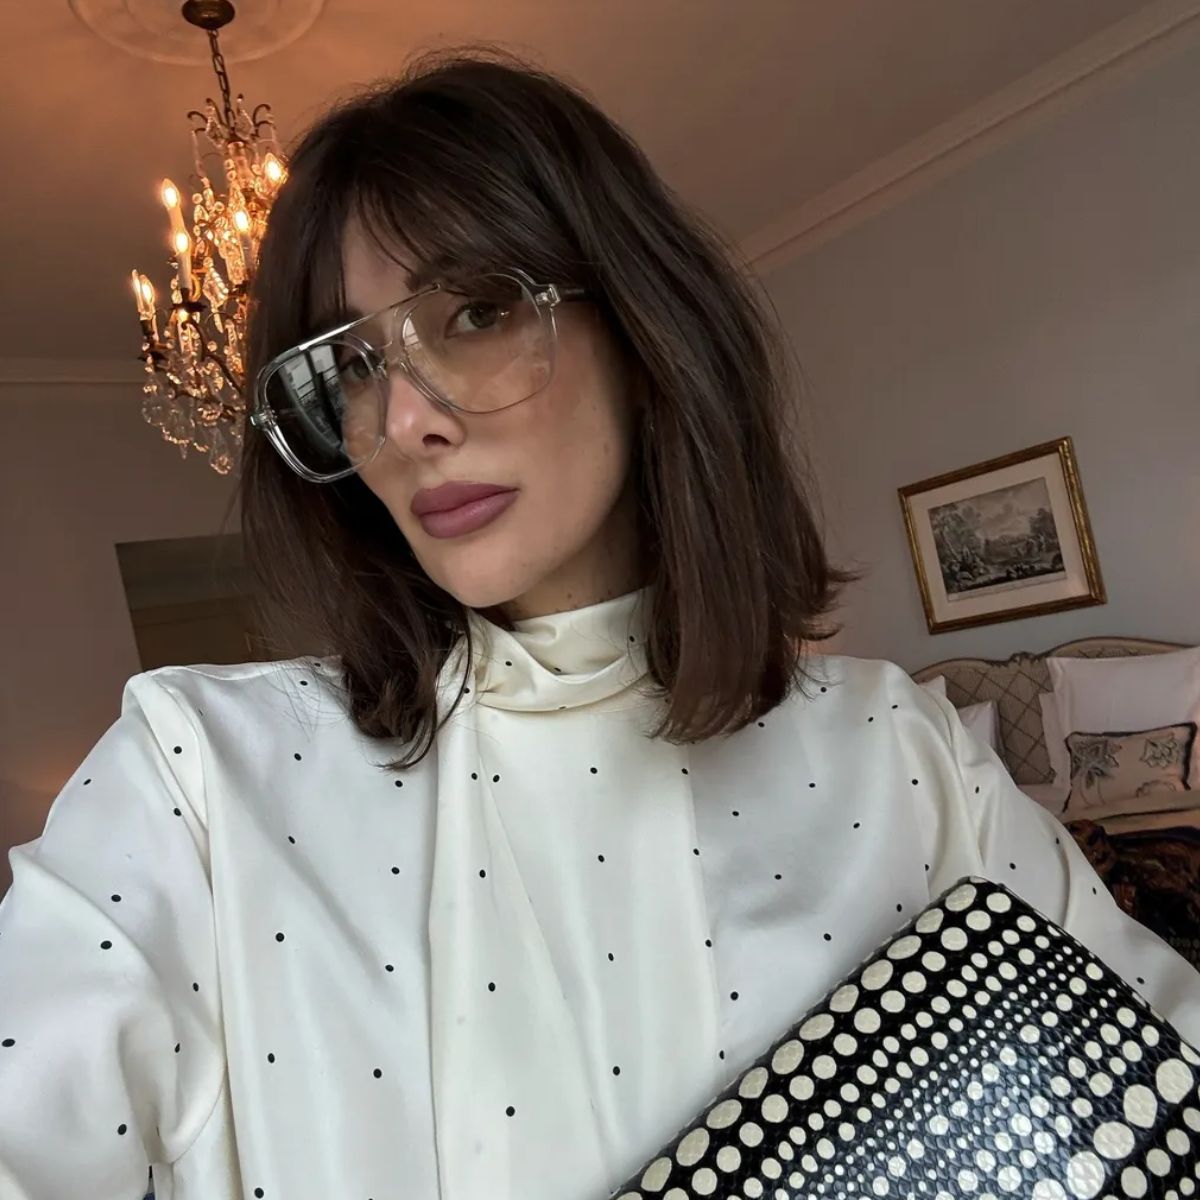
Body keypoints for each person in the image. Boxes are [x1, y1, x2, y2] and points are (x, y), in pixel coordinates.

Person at [1, 47, 1197, 1200]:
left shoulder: (907, 755)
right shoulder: (196, 778)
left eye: (474, 310)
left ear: (640, 326)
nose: (407, 417)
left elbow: (1161, 1088)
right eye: (350, 365)